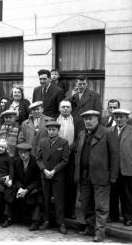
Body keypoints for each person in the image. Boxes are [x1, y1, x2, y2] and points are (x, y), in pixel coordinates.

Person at [74, 110, 119, 242]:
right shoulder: (82, 134)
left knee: (101, 206)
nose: (88, 121)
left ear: (97, 119)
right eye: (86, 119)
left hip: (102, 175)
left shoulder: (108, 133)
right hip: (84, 175)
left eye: (91, 119)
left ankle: (100, 233)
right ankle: (90, 228)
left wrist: (113, 174)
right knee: (86, 204)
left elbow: (115, 155)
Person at [36, 121, 69, 234]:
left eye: (53, 129)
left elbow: (65, 160)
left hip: (57, 175)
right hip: (45, 174)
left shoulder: (63, 142)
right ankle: (46, 220)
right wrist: (44, 170)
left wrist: (54, 171)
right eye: (49, 129)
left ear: (58, 130)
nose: (51, 131)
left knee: (59, 200)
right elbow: (38, 158)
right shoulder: (42, 141)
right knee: (45, 198)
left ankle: (61, 223)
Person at [12, 143, 43, 231]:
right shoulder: (16, 161)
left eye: (25, 153)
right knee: (9, 191)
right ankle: (9, 218)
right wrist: (20, 188)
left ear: (29, 153)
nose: (22, 155)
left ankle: (35, 222)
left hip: (31, 187)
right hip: (20, 187)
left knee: (37, 195)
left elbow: (37, 180)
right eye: (20, 153)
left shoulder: (35, 162)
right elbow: (14, 178)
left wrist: (27, 189)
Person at [57, 100, 79, 219]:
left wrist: (69, 149)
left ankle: (71, 211)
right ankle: (59, 211)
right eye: (63, 107)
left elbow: (79, 137)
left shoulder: (77, 120)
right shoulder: (54, 120)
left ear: (71, 109)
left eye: (67, 107)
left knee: (71, 185)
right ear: (59, 108)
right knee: (59, 184)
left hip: (71, 157)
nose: (65, 109)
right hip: (57, 157)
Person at [112, 109, 132, 226]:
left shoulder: (131, 130)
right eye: (117, 117)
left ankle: (128, 217)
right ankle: (113, 216)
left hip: (127, 167)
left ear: (127, 118)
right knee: (112, 194)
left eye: (121, 117)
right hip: (113, 169)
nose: (119, 119)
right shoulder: (109, 131)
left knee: (127, 194)